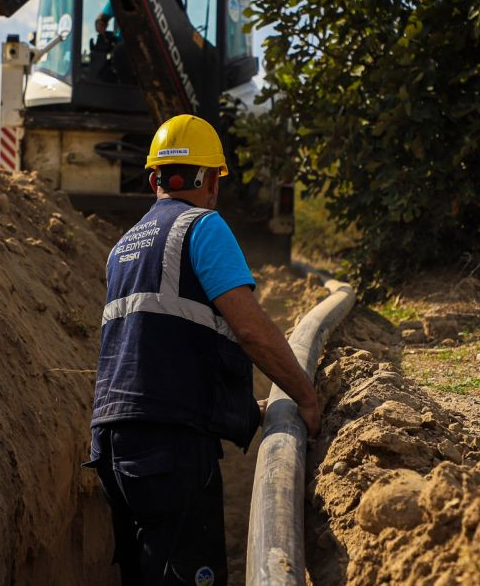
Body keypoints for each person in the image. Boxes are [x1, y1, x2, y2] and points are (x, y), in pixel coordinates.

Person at [87, 114, 320, 586]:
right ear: (211, 180)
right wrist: (306, 396)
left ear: (154, 178)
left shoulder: (123, 246)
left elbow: (154, 351)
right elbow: (251, 329)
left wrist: (243, 411)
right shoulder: (202, 227)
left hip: (114, 446)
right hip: (169, 450)